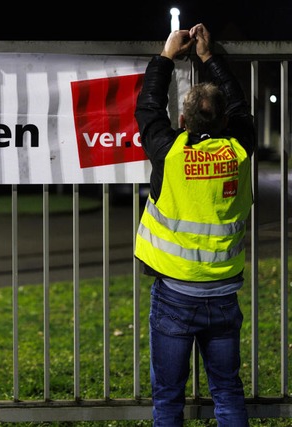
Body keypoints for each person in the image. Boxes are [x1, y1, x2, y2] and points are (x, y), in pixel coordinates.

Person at [134, 23, 255, 426]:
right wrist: (208, 58)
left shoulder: (168, 154)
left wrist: (167, 57)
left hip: (174, 296)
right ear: (224, 122)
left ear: (183, 119)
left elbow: (148, 108)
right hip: (223, 294)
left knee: (168, 399)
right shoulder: (238, 149)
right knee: (227, 391)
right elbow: (239, 108)